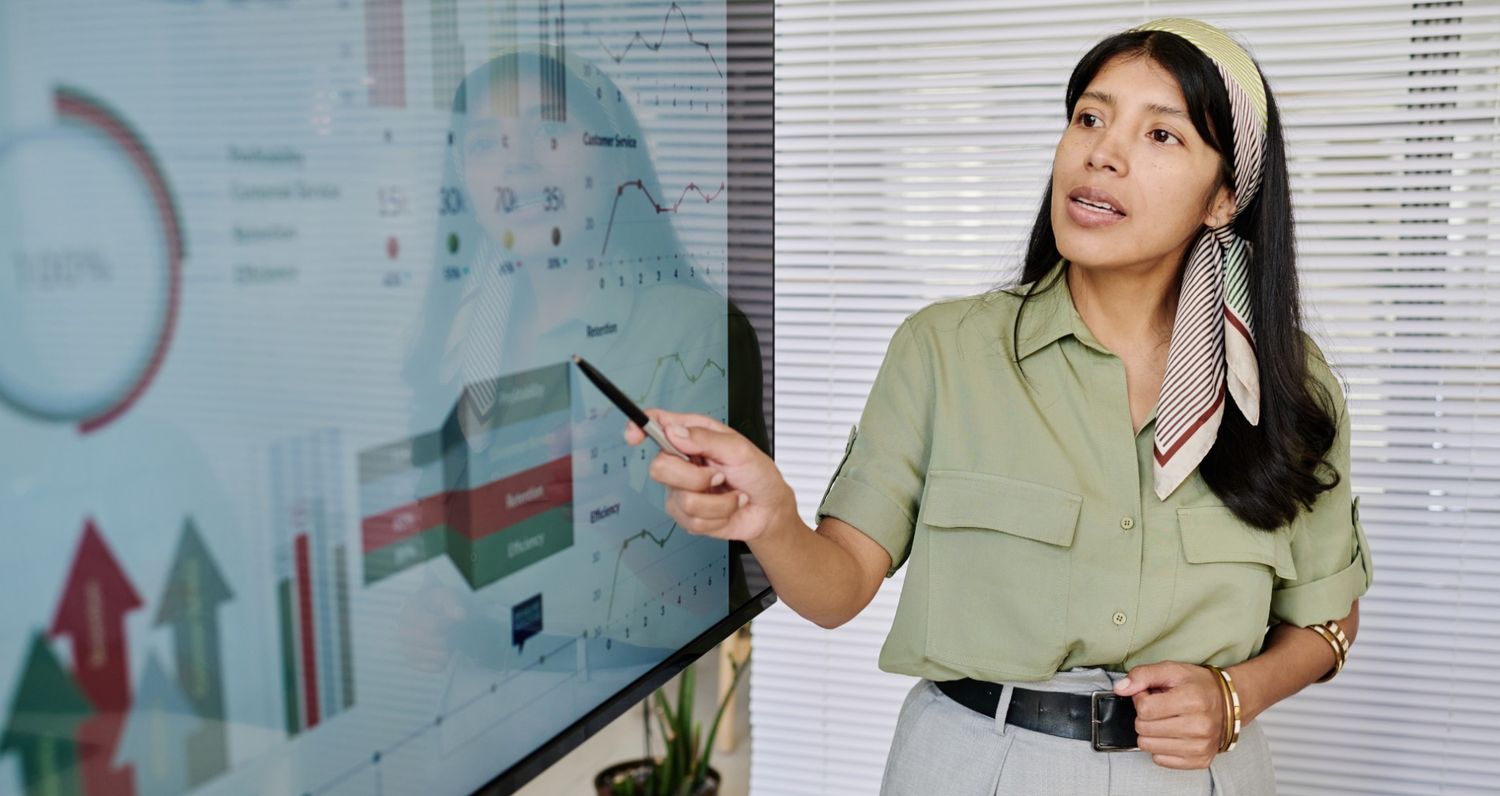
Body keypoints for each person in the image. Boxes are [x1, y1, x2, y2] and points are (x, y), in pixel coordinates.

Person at [626, 18, 1373, 794]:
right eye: (1090, 116)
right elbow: (838, 585)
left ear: (1224, 196)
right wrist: (772, 519)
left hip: (1200, 775)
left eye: (1161, 135)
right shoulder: (944, 350)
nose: (1102, 153)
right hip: (972, 764)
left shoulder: (1289, 384)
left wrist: (1234, 695)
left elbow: (1328, 613)